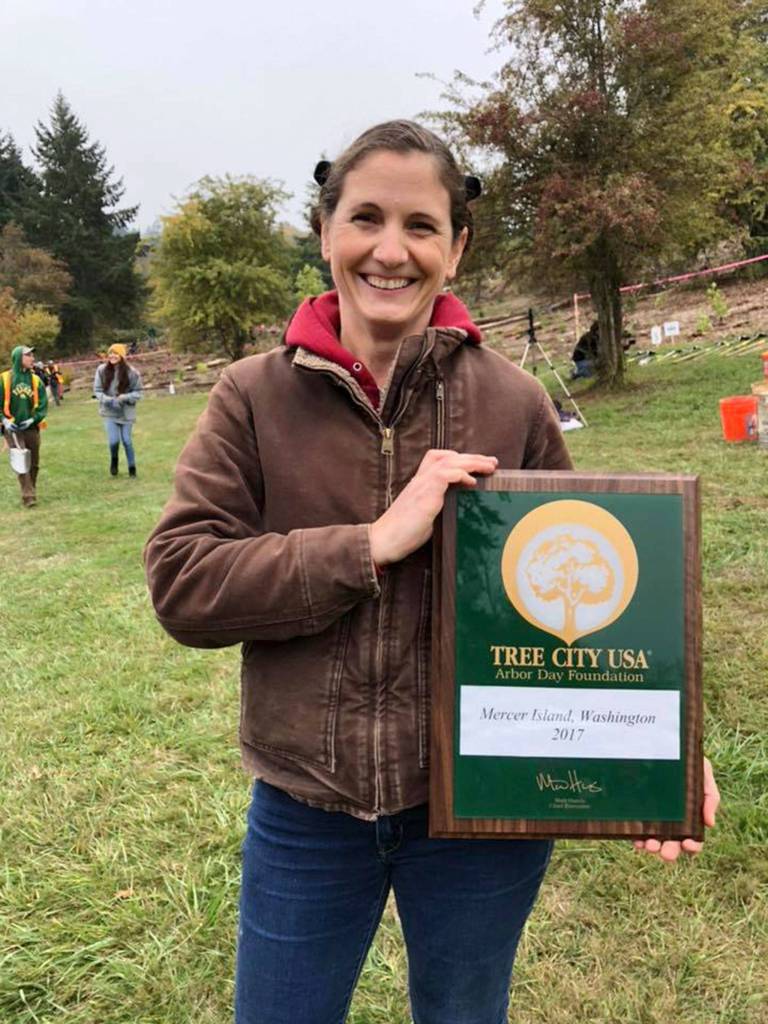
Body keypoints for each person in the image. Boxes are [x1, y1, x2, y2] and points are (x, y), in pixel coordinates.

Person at [144, 121, 718, 1024]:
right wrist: (369, 542)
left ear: (457, 247)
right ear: (325, 230)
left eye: (420, 225)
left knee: (463, 1010)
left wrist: (658, 756)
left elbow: (599, 591)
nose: (389, 249)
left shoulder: (513, 401)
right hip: (306, 810)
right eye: (364, 217)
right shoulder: (251, 398)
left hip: (480, 817)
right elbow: (182, 582)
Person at [1, 344, 48, 507]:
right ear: (18, 358)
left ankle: (30, 489)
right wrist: (5, 420)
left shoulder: (35, 380)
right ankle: (28, 497)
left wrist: (34, 419)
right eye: (28, 355)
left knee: (34, 463)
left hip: (31, 427)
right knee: (21, 460)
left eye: (32, 355)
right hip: (12, 428)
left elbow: (42, 405)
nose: (32, 358)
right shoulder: (4, 379)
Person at [93, 343, 143, 477]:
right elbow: (97, 391)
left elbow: (138, 393)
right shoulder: (101, 370)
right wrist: (108, 400)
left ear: (122, 356)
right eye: (110, 353)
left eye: (116, 353)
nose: (112, 356)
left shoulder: (132, 373)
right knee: (114, 441)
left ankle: (132, 468)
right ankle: (114, 461)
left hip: (126, 412)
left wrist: (124, 397)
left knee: (127, 441)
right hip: (109, 411)